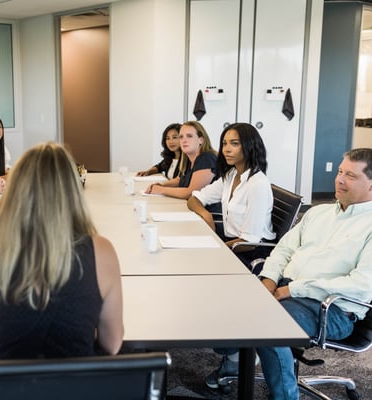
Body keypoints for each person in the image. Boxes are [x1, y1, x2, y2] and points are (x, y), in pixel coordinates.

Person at [212, 148, 372, 399]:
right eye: (340, 172)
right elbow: (283, 249)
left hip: (332, 308)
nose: (339, 179)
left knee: (267, 324)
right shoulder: (319, 212)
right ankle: (234, 355)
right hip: (284, 287)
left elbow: (360, 285)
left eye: (350, 175)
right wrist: (268, 280)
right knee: (224, 302)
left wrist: (292, 290)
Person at [0, 142, 124, 359]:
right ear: (73, 191)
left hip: (5, 390)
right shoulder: (101, 251)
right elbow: (113, 344)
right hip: (77, 388)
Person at [188, 122, 275, 269]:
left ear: (249, 146)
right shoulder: (231, 175)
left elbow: (248, 242)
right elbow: (194, 199)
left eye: (234, 144)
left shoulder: (257, 184)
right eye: (224, 144)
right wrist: (206, 214)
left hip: (251, 251)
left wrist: (216, 247)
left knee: (196, 261)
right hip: (232, 242)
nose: (226, 149)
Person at [144, 120, 219, 199]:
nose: (184, 140)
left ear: (201, 140)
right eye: (181, 137)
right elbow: (179, 180)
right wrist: (161, 185)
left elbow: (191, 193)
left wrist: (160, 189)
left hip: (210, 211)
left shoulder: (206, 158)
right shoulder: (189, 158)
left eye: (189, 136)